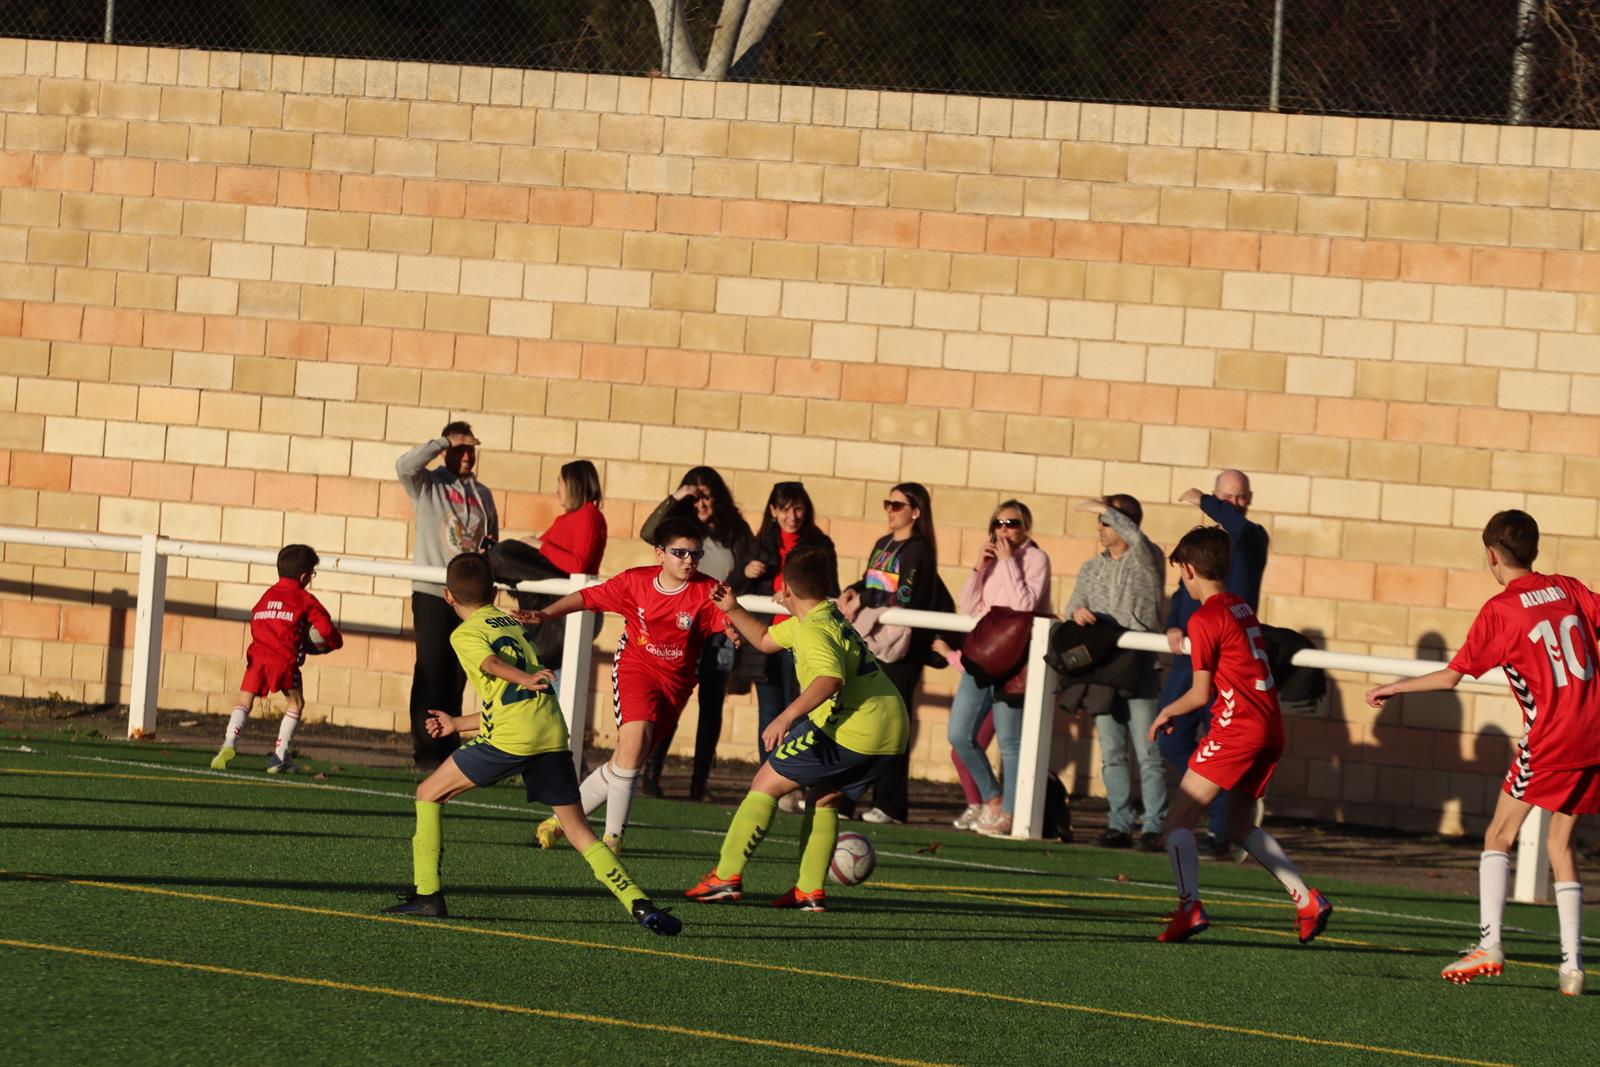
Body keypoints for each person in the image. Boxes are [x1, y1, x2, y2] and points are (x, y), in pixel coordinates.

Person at [381, 553, 680, 936]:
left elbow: (491, 665)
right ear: (494, 592)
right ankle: (638, 902)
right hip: (549, 733)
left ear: (448, 596)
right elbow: (510, 701)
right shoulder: (511, 623)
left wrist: (522, 678)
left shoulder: (465, 633)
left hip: (511, 739)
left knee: (428, 794)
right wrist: (457, 723)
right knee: (578, 830)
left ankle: (427, 896)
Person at [1365, 510, 1595, 996]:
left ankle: (1490, 944)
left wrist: (1394, 687)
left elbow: (1452, 676)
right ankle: (1573, 966)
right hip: (1594, 734)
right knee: (1560, 842)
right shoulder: (1568, 588)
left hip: (1552, 738)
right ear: (1535, 548)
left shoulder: (1501, 609)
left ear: (1491, 555)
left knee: (1498, 834)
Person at [685, 547, 908, 911]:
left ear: (786, 587)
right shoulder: (823, 616)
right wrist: (733, 609)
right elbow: (764, 639)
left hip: (856, 727)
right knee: (823, 796)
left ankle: (725, 877)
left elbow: (829, 679)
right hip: (891, 728)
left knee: (765, 783)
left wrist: (785, 717)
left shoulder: (814, 631)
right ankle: (809, 890)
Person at [1148, 525, 1331, 945]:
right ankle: (1307, 901)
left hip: (1239, 729)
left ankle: (1189, 908)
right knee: (1238, 824)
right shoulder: (1240, 606)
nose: (1182, 580)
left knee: (1178, 820)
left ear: (1189, 569)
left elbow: (1199, 694)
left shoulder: (1204, 617)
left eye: (1181, 572)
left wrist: (1167, 711)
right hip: (1270, 726)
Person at [523, 517, 736, 851]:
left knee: (625, 760)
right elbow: (588, 597)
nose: (688, 561)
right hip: (636, 668)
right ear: (660, 554)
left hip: (676, 685)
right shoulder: (635, 582)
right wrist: (547, 614)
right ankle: (613, 839)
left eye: (696, 554)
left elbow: (730, 619)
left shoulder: (706, 591)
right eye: (680, 553)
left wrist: (734, 629)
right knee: (633, 747)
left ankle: (559, 821)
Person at [1159, 469, 1269, 855]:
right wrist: (1173, 625)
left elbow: (1237, 525)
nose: (1234, 504)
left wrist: (1203, 500)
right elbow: (1181, 591)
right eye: (1227, 497)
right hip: (1193, 653)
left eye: (1240, 497)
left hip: (1227, 660)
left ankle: (1219, 831)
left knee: (1217, 738)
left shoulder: (1250, 536)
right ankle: (1214, 796)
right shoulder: (1203, 548)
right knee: (1170, 738)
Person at [930, 500, 1051, 837]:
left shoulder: (1036, 558)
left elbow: (1024, 605)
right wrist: (978, 569)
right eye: (998, 523)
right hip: (983, 655)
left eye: (1012, 523)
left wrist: (1009, 562)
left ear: (1025, 526)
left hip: (1016, 656)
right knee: (959, 733)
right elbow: (969, 606)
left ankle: (1009, 813)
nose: (1003, 530)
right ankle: (992, 797)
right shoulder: (993, 561)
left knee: (1010, 741)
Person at [638, 468, 754, 800]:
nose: (701, 503)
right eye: (695, 496)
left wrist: (742, 576)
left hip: (719, 628)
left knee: (712, 706)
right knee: (672, 700)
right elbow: (649, 533)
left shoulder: (735, 530)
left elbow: (749, 569)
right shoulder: (680, 528)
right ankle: (650, 774)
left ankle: (698, 784)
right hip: (683, 626)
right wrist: (675, 499)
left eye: (707, 496)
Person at [836, 482, 943, 825]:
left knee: (893, 724)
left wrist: (864, 598)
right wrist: (852, 591)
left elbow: (906, 596)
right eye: (888, 504)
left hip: (901, 651)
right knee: (862, 719)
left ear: (916, 512)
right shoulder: (883, 543)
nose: (890, 511)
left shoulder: (919, 549)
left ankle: (890, 803)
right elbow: (870, 581)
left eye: (897, 505)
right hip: (873, 644)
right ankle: (846, 797)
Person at [397, 422, 498, 774]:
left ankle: (448, 748)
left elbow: (492, 542)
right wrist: (442, 442)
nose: (467, 456)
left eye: (471, 450)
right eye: (460, 449)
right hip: (432, 592)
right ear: (446, 452)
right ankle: (426, 752)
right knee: (431, 670)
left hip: (470, 598)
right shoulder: (427, 484)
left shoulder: (483, 494)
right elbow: (403, 466)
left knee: (459, 673)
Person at [1069, 495, 1168, 852]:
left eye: (1107, 520)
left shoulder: (1147, 557)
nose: (1100, 526)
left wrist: (1105, 508)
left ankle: (1154, 826)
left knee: (1148, 752)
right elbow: (1072, 604)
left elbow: (1136, 537)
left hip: (1139, 665)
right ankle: (1119, 823)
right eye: (1100, 520)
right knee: (1111, 751)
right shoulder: (1090, 567)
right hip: (1103, 666)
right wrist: (1077, 613)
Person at [731, 481, 840, 769]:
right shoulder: (759, 544)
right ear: (773, 511)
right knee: (769, 713)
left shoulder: (819, 544)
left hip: (803, 638)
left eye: (798, 509)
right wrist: (745, 572)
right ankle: (769, 776)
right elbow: (733, 587)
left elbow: (832, 590)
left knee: (801, 713)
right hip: (768, 638)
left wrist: (795, 595)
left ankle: (797, 776)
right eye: (785, 509)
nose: (792, 516)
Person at [211, 544, 342, 774]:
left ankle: (228, 743)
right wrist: (332, 644)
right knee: (296, 703)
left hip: (257, 658)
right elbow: (325, 628)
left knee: (244, 702)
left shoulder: (267, 596)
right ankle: (280, 755)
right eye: (312, 574)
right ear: (304, 577)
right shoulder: (305, 599)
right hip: (284, 661)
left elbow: (255, 620)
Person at [488, 459, 607, 675]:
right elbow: (534, 559)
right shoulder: (566, 519)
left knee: (503, 553)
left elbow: (578, 564)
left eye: (560, 483)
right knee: (502, 552)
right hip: (549, 610)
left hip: (563, 612)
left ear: (574, 484)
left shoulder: (589, 515)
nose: (557, 490)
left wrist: (536, 545)